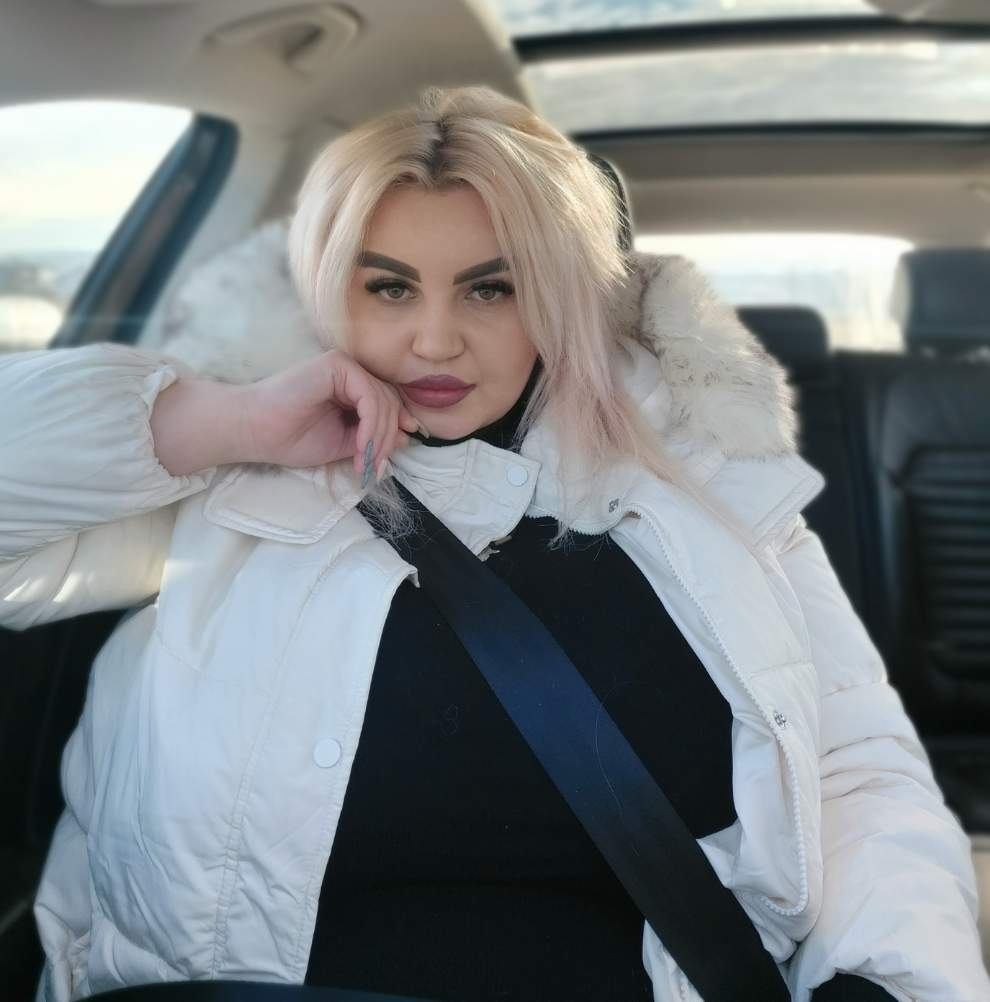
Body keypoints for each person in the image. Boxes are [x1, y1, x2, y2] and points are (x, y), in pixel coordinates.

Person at [1, 85, 987, 1002]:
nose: (435, 341)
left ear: (563, 295)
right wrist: (219, 420)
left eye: (491, 290)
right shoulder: (219, 483)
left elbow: (856, 774)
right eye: (389, 288)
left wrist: (884, 982)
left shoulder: (719, 489)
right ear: (325, 285)